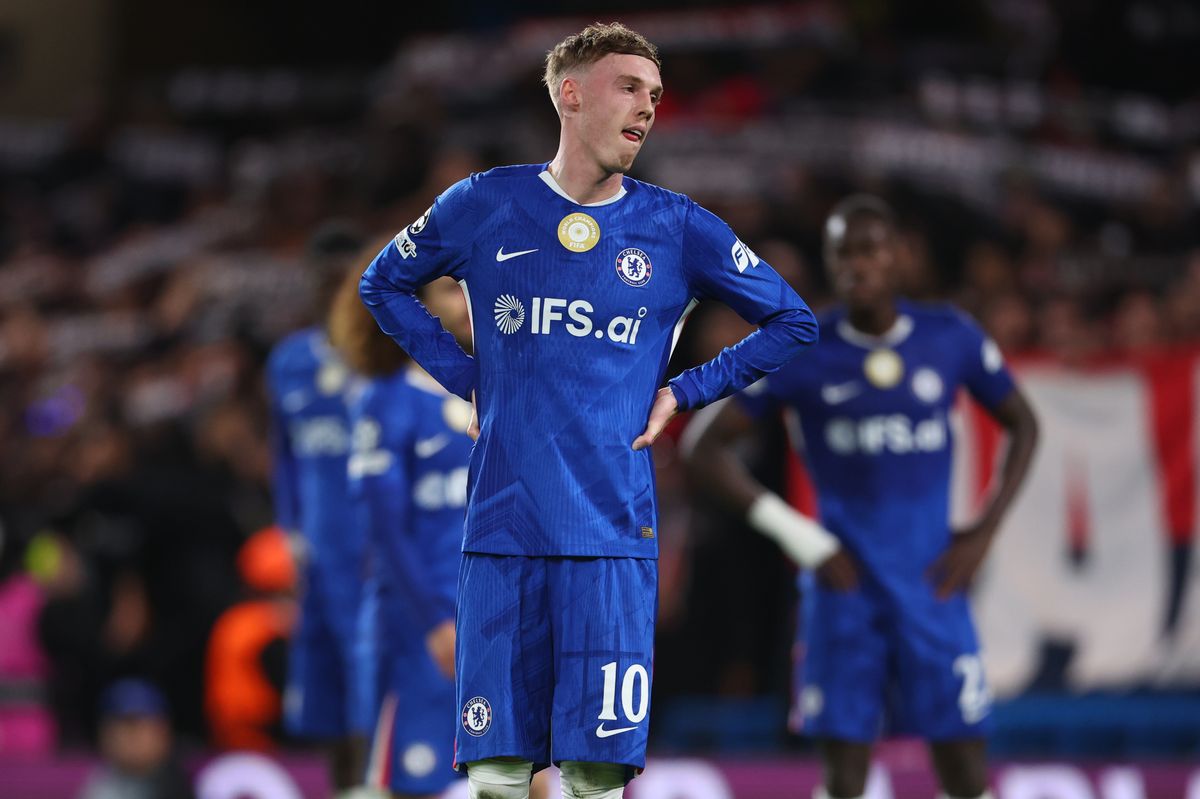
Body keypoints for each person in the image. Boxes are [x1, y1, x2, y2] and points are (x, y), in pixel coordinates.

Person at [359, 22, 818, 799]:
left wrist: (688, 389)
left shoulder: (677, 226)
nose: (647, 107)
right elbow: (382, 283)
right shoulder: (484, 202)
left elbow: (794, 320)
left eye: (656, 95)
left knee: (593, 778)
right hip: (502, 535)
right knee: (501, 775)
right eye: (629, 87)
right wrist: (465, 378)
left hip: (612, 538)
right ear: (570, 94)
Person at [683, 195, 1040, 799]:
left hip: (932, 584)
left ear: (899, 256)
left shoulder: (949, 336)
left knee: (964, 773)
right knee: (844, 779)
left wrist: (982, 532)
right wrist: (802, 536)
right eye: (844, 253)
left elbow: (1024, 425)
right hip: (843, 590)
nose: (858, 266)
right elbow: (701, 447)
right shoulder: (801, 346)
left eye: (871, 250)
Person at [328, 262, 471, 798]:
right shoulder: (386, 402)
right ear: (416, 307)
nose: (466, 300)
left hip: (494, 622)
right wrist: (435, 620)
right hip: (419, 629)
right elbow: (384, 529)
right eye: (450, 290)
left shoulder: (498, 394)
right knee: (414, 782)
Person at [265, 225, 372, 796]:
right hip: (315, 561)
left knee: (372, 696)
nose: (334, 294)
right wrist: (289, 534)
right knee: (326, 706)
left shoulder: (394, 356)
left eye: (344, 282)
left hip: (376, 557)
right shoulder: (289, 362)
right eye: (325, 282)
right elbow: (284, 457)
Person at [78, 679, 194, 799]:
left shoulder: (184, 785)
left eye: (134, 726)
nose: (124, 738)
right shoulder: (98, 782)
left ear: (163, 732)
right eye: (116, 726)